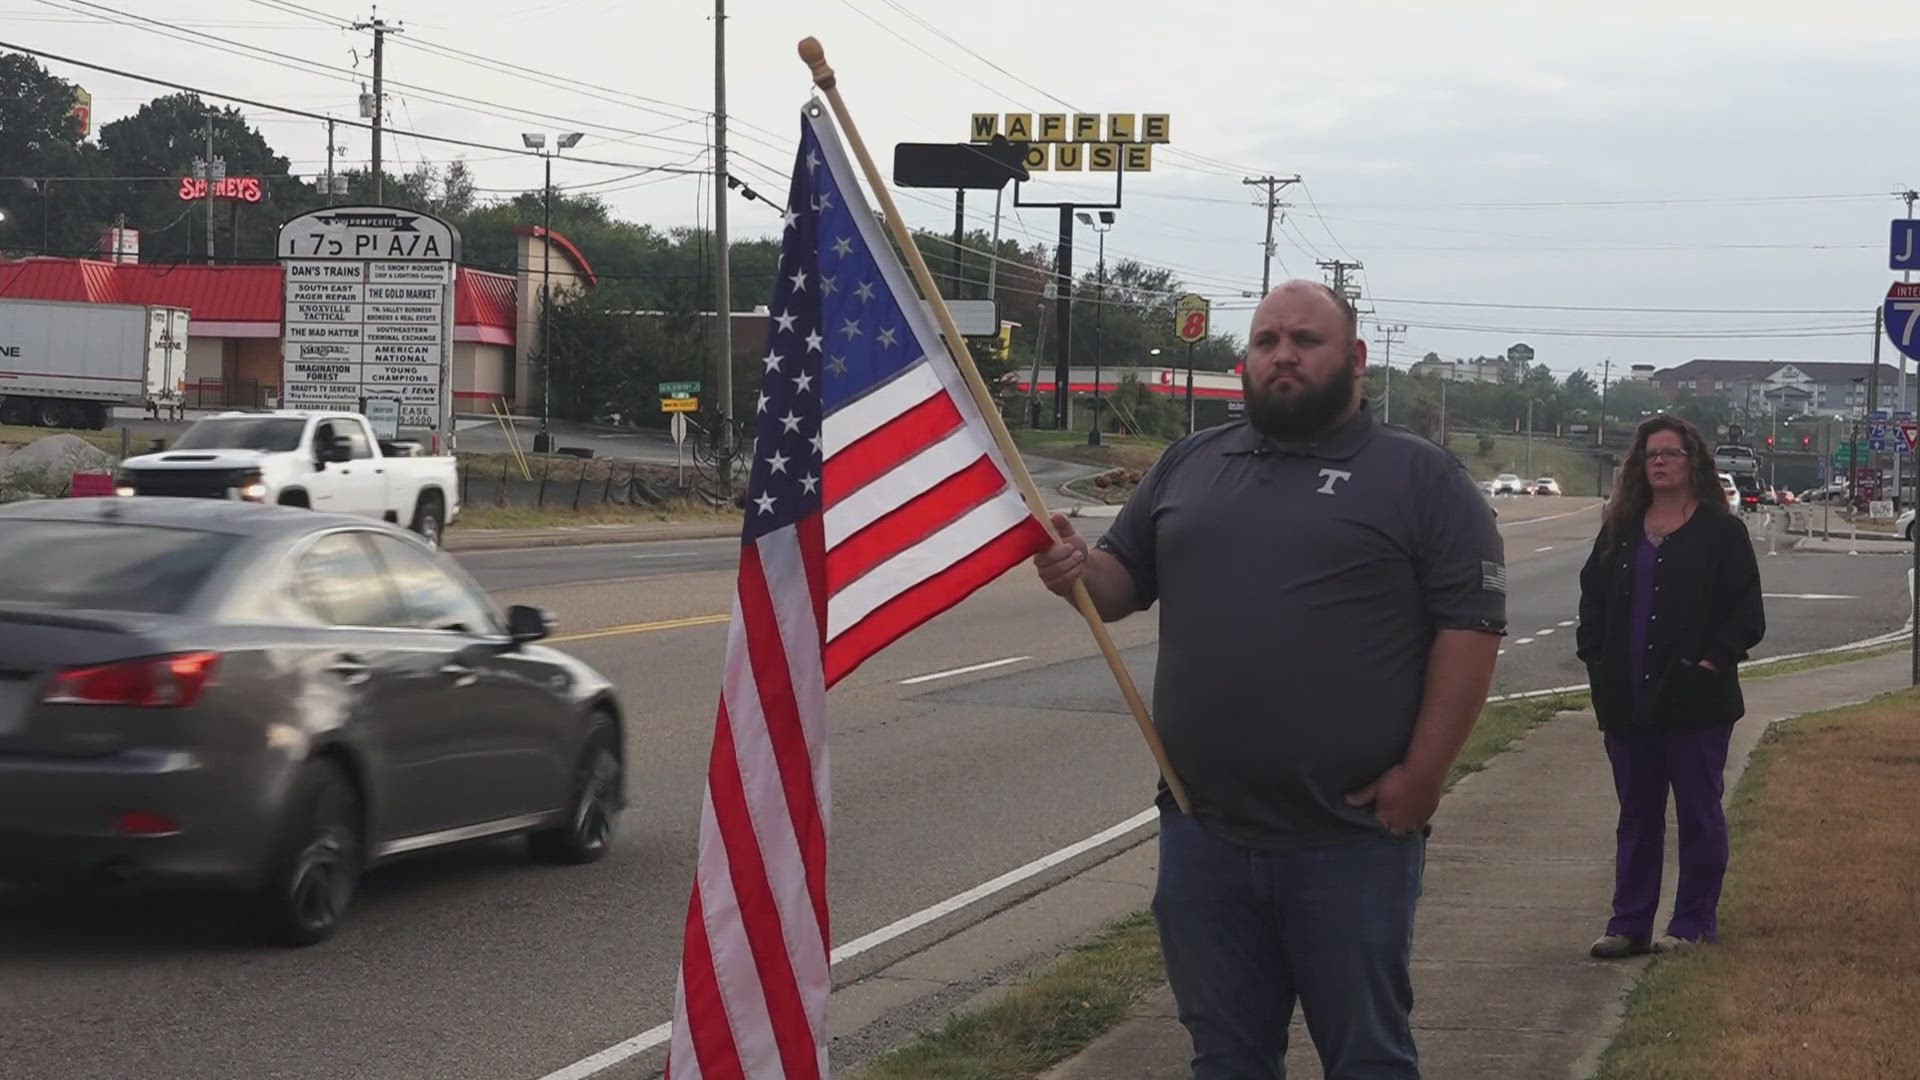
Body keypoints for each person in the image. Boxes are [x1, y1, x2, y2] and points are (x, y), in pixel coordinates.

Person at [1033, 281, 1506, 1080]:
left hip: (1349, 843)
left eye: (1305, 340)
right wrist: (1077, 572)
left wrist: (1424, 776)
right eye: (1266, 341)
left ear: (1353, 358)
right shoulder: (1189, 462)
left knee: (1368, 1058)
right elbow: (1122, 585)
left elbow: (1471, 630)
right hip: (1203, 834)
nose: (1283, 354)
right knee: (1225, 1059)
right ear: (1245, 359)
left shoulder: (1420, 479)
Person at [1577, 415, 1765, 959]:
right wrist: (1596, 659)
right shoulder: (1620, 529)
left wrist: (1709, 662)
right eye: (1650, 455)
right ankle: (1629, 923)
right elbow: (1591, 601)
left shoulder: (1720, 531)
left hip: (1696, 703)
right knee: (1636, 817)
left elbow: (1746, 615)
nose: (1659, 462)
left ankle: (1691, 924)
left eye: (1671, 453)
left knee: (1699, 814)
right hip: (1626, 701)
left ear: (1693, 462)